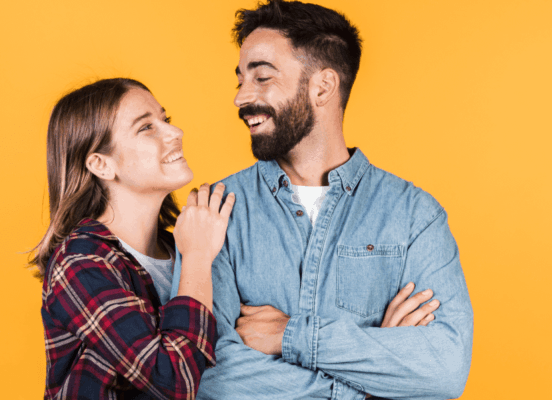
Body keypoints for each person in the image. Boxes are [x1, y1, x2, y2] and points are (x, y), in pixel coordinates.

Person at [170, 1, 474, 398]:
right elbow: (207, 374)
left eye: (261, 77)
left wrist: (289, 337)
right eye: (241, 80)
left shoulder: (415, 215)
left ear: (323, 87)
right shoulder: (213, 212)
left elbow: (443, 368)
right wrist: (371, 380)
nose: (241, 97)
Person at [32, 78, 235, 399]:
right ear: (101, 164)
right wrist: (197, 256)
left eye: (165, 120)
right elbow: (171, 381)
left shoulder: (182, 245)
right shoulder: (81, 262)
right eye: (146, 128)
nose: (175, 132)